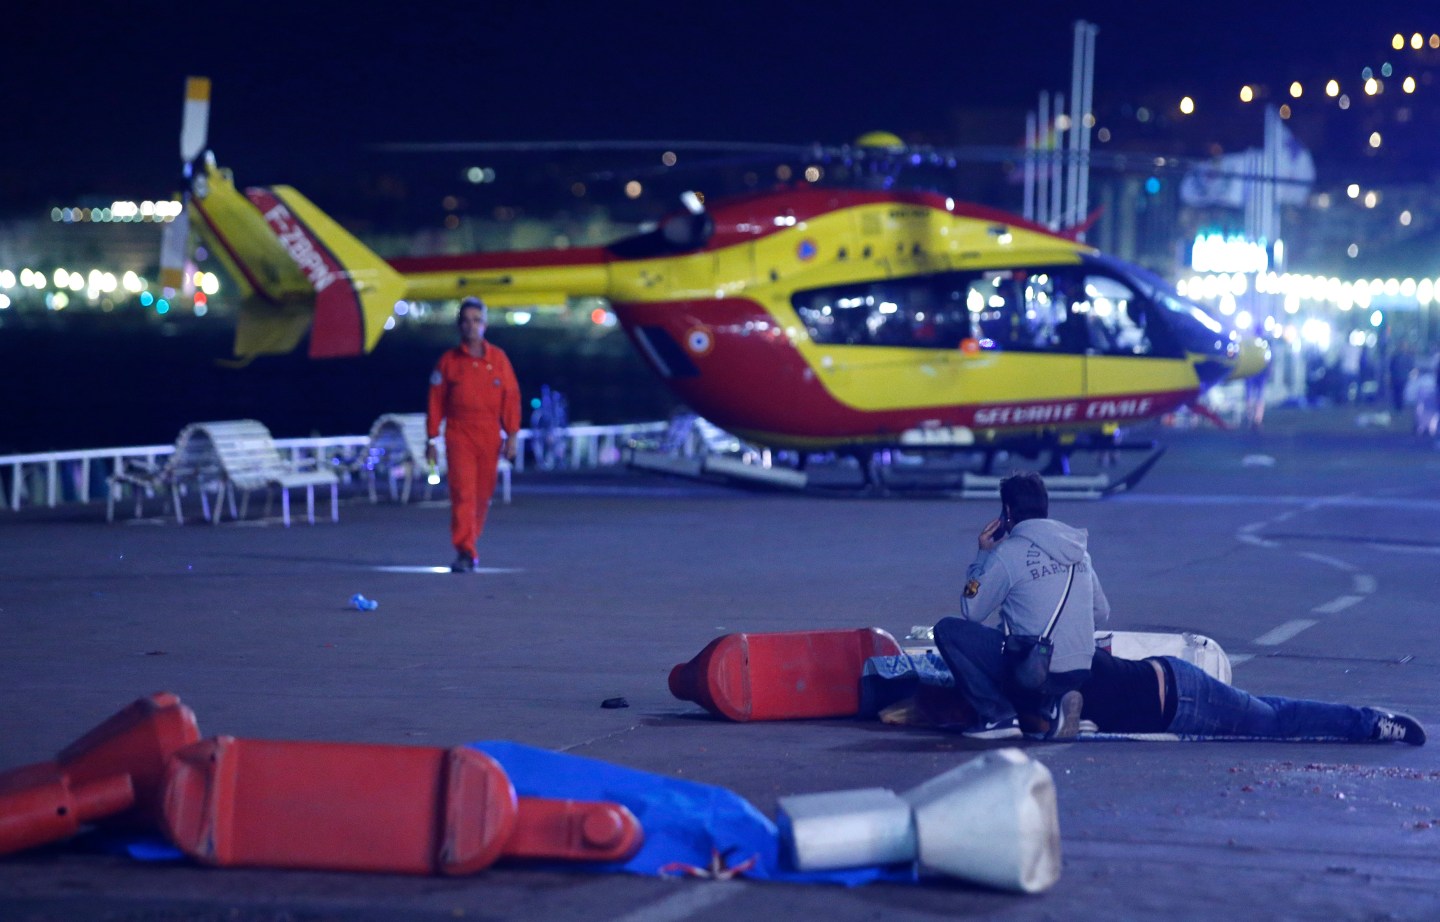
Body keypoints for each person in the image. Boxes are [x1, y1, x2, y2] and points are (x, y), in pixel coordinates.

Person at [932, 471, 1110, 740]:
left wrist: (983, 556)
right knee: (1022, 638)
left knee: (948, 631)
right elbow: (1102, 613)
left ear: (1007, 511)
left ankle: (997, 716)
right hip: (1080, 670)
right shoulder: (1080, 553)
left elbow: (972, 610)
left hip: (1036, 670)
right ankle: (1052, 707)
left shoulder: (1009, 553)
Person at [1077, 647, 1425, 744]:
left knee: (1276, 722)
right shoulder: (1062, 649)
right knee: (1269, 712)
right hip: (1176, 690)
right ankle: (1366, 721)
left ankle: (1371, 723)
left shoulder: (1054, 669)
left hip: (1183, 700)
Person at [426, 297, 521, 573]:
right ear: (459, 326)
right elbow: (435, 402)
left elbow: (511, 397)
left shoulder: (498, 360)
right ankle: (465, 549)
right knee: (463, 494)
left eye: (476, 320)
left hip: (489, 434)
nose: (471, 326)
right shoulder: (448, 362)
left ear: (485, 325)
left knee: (481, 496)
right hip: (459, 433)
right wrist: (432, 439)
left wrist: (512, 435)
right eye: (466, 321)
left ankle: (470, 543)